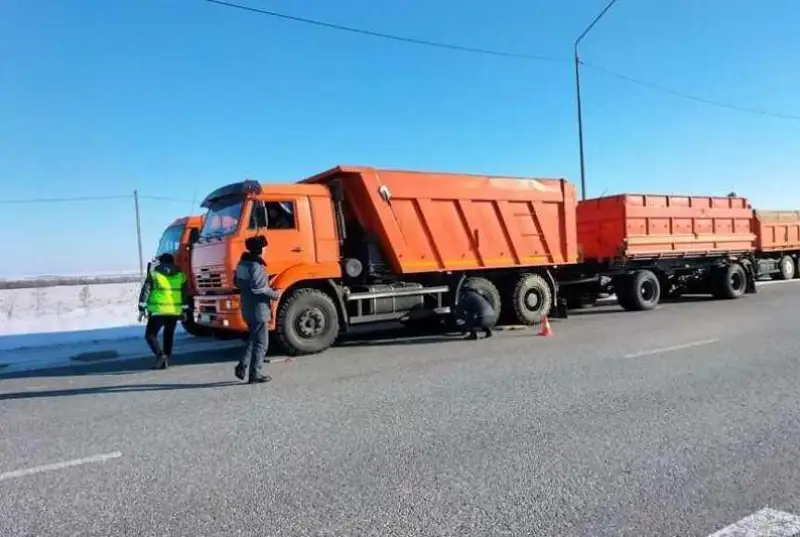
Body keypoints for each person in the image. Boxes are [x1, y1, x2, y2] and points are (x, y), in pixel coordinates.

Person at [234, 235, 280, 384]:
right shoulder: (256, 266)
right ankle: (255, 374)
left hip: (247, 306)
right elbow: (259, 288)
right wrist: (275, 294)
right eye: (265, 247)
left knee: (253, 338)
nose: (267, 249)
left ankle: (243, 365)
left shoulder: (242, 264)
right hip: (259, 309)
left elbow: (238, 282)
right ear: (261, 249)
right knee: (262, 343)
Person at [138, 253, 188, 369]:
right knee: (168, 334)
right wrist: (184, 310)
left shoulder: (154, 274)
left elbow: (146, 290)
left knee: (150, 335)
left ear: (161, 262)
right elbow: (184, 295)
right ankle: (166, 358)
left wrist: (142, 306)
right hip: (174, 311)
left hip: (157, 310)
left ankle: (160, 356)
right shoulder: (181, 276)